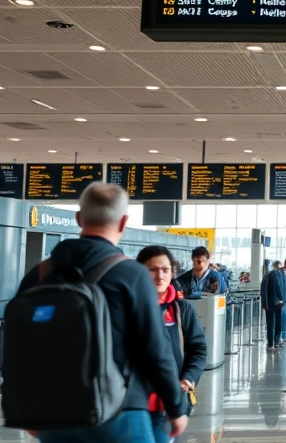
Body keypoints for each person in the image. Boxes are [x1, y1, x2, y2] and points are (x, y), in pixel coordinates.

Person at [16, 183, 188, 442]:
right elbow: (155, 348)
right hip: (121, 409)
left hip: (54, 411)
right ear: (123, 222)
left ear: (78, 218)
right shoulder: (131, 275)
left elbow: (21, 344)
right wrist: (176, 406)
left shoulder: (40, 273)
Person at [136, 246, 207, 443]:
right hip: (131, 407)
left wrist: (188, 378)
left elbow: (198, 349)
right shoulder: (127, 306)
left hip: (166, 407)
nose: (160, 275)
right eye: (152, 269)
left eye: (165, 270)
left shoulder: (181, 309)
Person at [262, 260, 286, 349]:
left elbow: (263, 290)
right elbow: (279, 287)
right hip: (277, 302)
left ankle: (270, 343)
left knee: (270, 323)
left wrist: (264, 302)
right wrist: (283, 298)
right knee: (277, 322)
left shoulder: (266, 275)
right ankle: (276, 341)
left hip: (269, 302)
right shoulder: (277, 274)